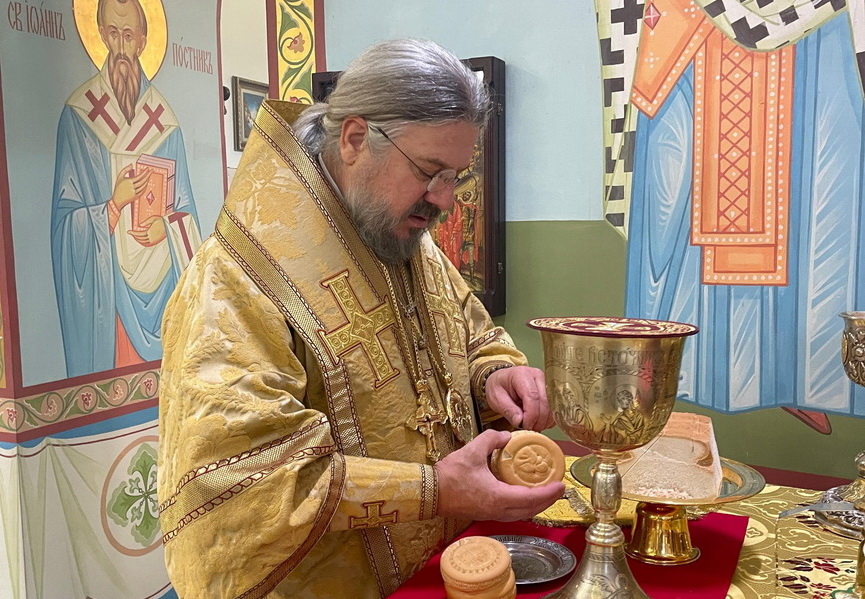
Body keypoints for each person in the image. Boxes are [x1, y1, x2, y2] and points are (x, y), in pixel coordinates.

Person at [157, 39, 564, 599]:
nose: (444, 200)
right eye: (430, 171)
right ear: (354, 139)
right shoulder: (235, 279)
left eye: (455, 176)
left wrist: (493, 375)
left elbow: (469, 335)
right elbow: (246, 480)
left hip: (435, 569)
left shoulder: (402, 236)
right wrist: (435, 490)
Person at [51, 0, 201, 377]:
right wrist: (112, 207)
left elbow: (187, 214)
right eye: (114, 34)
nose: (121, 47)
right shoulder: (79, 116)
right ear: (101, 35)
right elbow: (64, 224)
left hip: (162, 286)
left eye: (129, 36)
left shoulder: (165, 123)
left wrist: (166, 229)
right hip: (111, 296)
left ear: (143, 41)